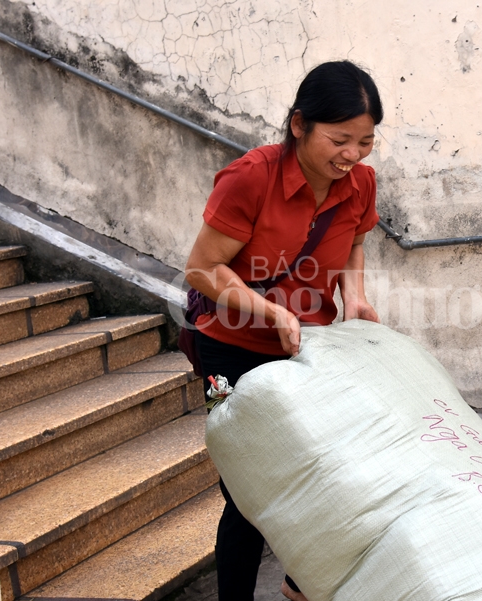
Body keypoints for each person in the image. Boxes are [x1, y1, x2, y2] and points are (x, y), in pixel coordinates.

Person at [184, 60, 384, 601]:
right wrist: (272, 313)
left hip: (308, 350)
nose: (354, 155)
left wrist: (355, 297)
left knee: (324, 480)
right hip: (233, 349)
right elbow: (202, 268)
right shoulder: (251, 176)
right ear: (299, 125)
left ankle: (300, 588)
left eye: (366, 141)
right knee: (249, 496)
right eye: (340, 139)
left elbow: (356, 241)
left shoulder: (360, 182)